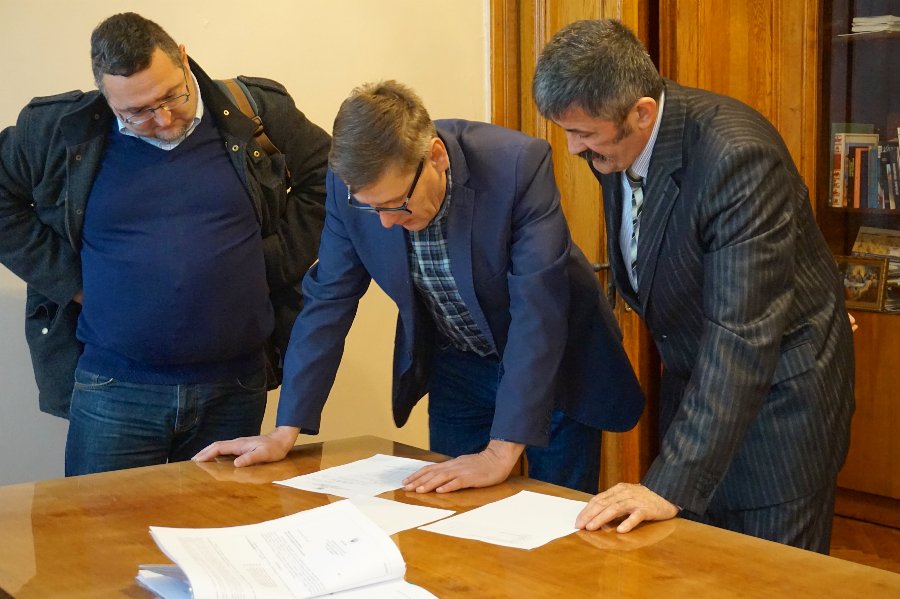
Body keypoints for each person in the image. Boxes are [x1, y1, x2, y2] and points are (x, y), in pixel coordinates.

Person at [194, 80, 644, 494]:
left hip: (552, 365)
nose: (386, 223)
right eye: (373, 209)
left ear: (436, 157)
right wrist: (283, 430)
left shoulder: (516, 165)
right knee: (446, 505)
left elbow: (538, 309)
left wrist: (499, 453)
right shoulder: (350, 189)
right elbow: (327, 300)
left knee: (553, 516)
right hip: (458, 366)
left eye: (397, 204)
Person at [532, 19, 855, 553]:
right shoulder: (615, 146)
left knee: (771, 578)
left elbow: (741, 334)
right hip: (700, 398)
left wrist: (668, 484)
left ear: (641, 112)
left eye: (584, 133)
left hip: (779, 411)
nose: (572, 149)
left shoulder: (737, 157)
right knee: (698, 571)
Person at [0, 13, 330, 476]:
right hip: (114, 388)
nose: (163, 118)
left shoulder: (252, 113)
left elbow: (329, 177)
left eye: (172, 95)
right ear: (105, 95)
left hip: (234, 385)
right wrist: (73, 282)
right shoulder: (60, 131)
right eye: (136, 112)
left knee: (222, 522)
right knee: (101, 524)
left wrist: (268, 264)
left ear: (184, 59)